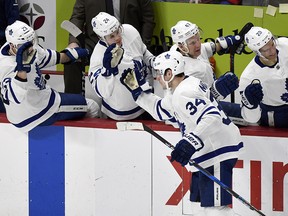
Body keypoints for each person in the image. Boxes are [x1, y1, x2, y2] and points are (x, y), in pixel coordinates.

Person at [120, 50, 243, 215]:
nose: (156, 77)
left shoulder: (184, 92)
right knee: (198, 205)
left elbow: (211, 117)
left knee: (215, 209)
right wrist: (138, 93)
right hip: (208, 151)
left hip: (216, 151)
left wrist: (190, 142)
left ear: (169, 73)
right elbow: (162, 111)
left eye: (158, 73)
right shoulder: (181, 88)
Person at [0, 20, 100, 132]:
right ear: (11, 46)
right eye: (24, 46)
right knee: (93, 107)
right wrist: (22, 70)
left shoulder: (26, 46)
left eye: (31, 42)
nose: (30, 49)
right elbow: (16, 97)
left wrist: (73, 54)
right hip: (36, 111)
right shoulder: (5, 66)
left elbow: (52, 57)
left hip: (40, 99)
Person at [64, 0, 155, 94]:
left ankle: (143, 99)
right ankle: (74, 103)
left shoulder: (131, 34)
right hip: (94, 42)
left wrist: (140, 44)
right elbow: (77, 17)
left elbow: (148, 18)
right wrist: (74, 42)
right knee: (72, 57)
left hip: (126, 38)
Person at [88, 12, 154, 120]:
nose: (118, 37)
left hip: (146, 104)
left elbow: (143, 51)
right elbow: (103, 92)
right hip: (120, 115)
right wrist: (107, 71)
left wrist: (153, 62)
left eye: (117, 31)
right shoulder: (98, 57)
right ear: (101, 37)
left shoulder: (129, 31)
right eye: (112, 36)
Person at [238, 26, 288, 128]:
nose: (273, 51)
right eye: (266, 50)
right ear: (257, 52)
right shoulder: (248, 77)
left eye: (272, 45)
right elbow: (251, 119)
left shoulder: (285, 44)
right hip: (276, 116)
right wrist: (251, 106)